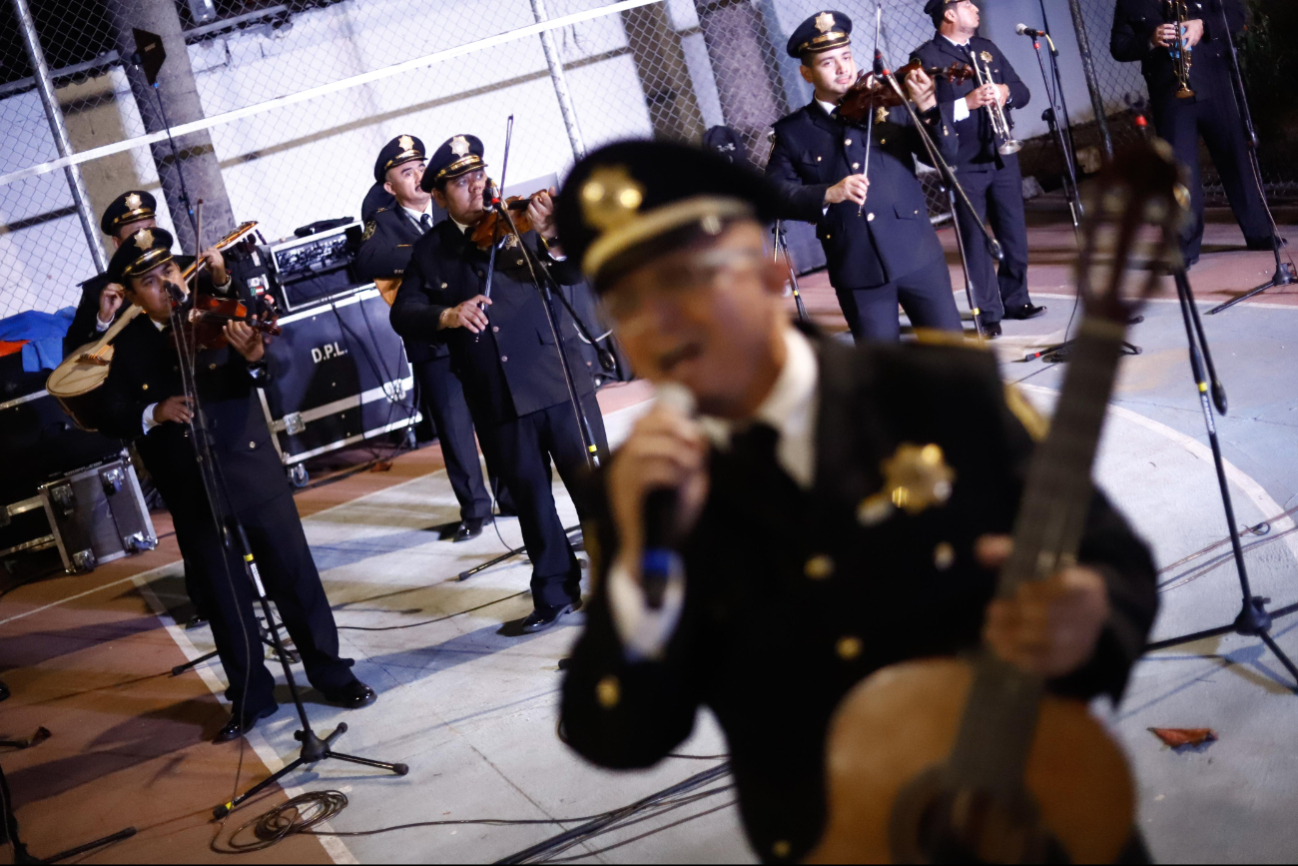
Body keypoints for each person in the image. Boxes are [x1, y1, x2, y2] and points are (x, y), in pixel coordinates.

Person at [553, 140, 1159, 862]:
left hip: (1032, 819)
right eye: (625, 302)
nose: (657, 322)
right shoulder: (635, 489)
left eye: (683, 279)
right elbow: (615, 735)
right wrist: (641, 574)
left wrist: (1090, 609)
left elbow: (1114, 560)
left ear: (773, 275)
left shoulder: (940, 394)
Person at [96, 228, 377, 742]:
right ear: (133, 293)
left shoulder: (218, 310)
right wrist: (151, 411)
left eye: (169, 273)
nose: (166, 286)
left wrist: (253, 360)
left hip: (251, 470)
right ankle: (251, 696)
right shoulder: (122, 343)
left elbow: (270, 369)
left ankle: (331, 673)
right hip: (190, 484)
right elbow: (105, 410)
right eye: (150, 282)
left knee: (293, 576)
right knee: (225, 597)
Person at [390, 134, 609, 634]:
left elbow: (575, 271)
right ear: (439, 196)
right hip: (497, 398)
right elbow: (404, 313)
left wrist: (554, 236)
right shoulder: (431, 250)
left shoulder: (524, 220)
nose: (476, 185)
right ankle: (554, 592)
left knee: (593, 491)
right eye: (460, 182)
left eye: (478, 174)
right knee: (531, 500)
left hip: (557, 382)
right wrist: (447, 314)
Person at [765, 10, 964, 343]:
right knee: (881, 374)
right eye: (828, 63)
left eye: (846, 56)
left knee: (953, 358)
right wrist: (828, 193)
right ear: (806, 73)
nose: (844, 68)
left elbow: (945, 155)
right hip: (857, 267)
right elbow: (773, 192)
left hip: (917, 254)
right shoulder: (794, 132)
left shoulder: (889, 101)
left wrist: (928, 106)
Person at [356, 134, 512, 540]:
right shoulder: (383, 222)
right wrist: (430, 253)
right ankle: (476, 510)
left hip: (475, 330)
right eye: (406, 173)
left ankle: (508, 495)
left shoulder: (454, 206)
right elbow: (368, 259)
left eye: (421, 168)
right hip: (431, 340)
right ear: (390, 187)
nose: (418, 176)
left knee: (494, 416)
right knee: (454, 427)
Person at [913, 0, 1045, 337]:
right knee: (975, 240)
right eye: (966, 3)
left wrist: (1004, 92)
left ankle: (1017, 298)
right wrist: (966, 103)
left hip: (1002, 154)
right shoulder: (927, 58)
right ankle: (988, 313)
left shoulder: (986, 49)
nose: (975, 6)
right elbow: (924, 115)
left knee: (1013, 231)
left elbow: (1023, 92)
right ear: (948, 13)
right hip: (963, 161)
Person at [1111, 0, 1275, 267]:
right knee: (1180, 176)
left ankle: (1260, 233)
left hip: (1216, 87)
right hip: (1170, 96)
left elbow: (1237, 15)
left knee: (1237, 162)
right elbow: (1119, 46)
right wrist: (1150, 39)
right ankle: (1183, 248)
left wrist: (1204, 25)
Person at [63, 190, 229, 357]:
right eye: (137, 233)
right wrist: (103, 320)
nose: (147, 237)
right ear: (117, 243)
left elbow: (228, 308)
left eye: (150, 228)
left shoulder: (187, 265)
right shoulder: (97, 292)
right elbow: (73, 349)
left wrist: (221, 280)